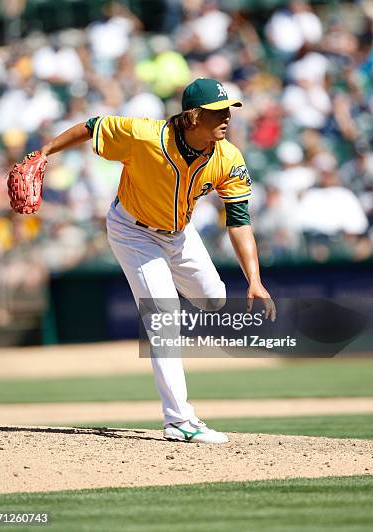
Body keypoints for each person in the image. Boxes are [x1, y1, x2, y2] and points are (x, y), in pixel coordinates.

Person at [38, 78, 276, 444]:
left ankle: (171, 294)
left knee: (213, 300)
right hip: (132, 230)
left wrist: (255, 281)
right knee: (164, 318)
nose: (227, 117)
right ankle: (179, 420)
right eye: (217, 112)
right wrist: (45, 152)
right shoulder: (145, 136)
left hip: (180, 233)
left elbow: (239, 220)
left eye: (229, 109)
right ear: (194, 116)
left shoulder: (228, 156)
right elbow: (92, 126)